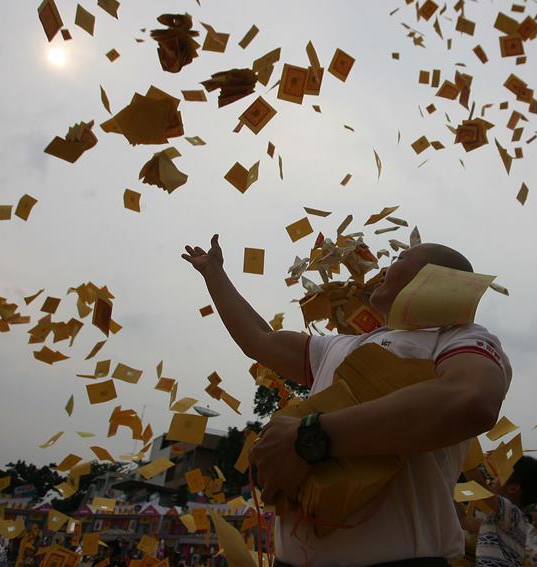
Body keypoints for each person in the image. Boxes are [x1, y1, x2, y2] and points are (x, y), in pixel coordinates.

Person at [183, 236, 512, 566]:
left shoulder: (460, 338)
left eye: (399, 258)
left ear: (435, 278)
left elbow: (470, 399)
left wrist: (310, 437)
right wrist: (214, 273)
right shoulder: (336, 347)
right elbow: (259, 339)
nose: (384, 267)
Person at [456, 456, 537, 567]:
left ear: (513, 488)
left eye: (498, 476)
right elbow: (463, 520)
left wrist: (468, 450)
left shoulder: (514, 515)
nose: (493, 479)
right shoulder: (497, 522)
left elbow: (479, 485)